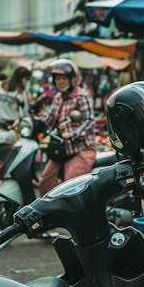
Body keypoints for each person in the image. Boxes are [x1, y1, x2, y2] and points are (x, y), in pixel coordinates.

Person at [36, 59, 96, 197]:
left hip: (81, 148)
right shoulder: (58, 97)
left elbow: (89, 121)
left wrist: (73, 134)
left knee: (70, 186)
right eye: (57, 78)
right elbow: (49, 117)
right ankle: (52, 215)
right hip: (61, 148)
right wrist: (34, 124)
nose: (60, 82)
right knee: (45, 183)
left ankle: (73, 217)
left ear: (73, 80)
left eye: (63, 78)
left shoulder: (82, 96)